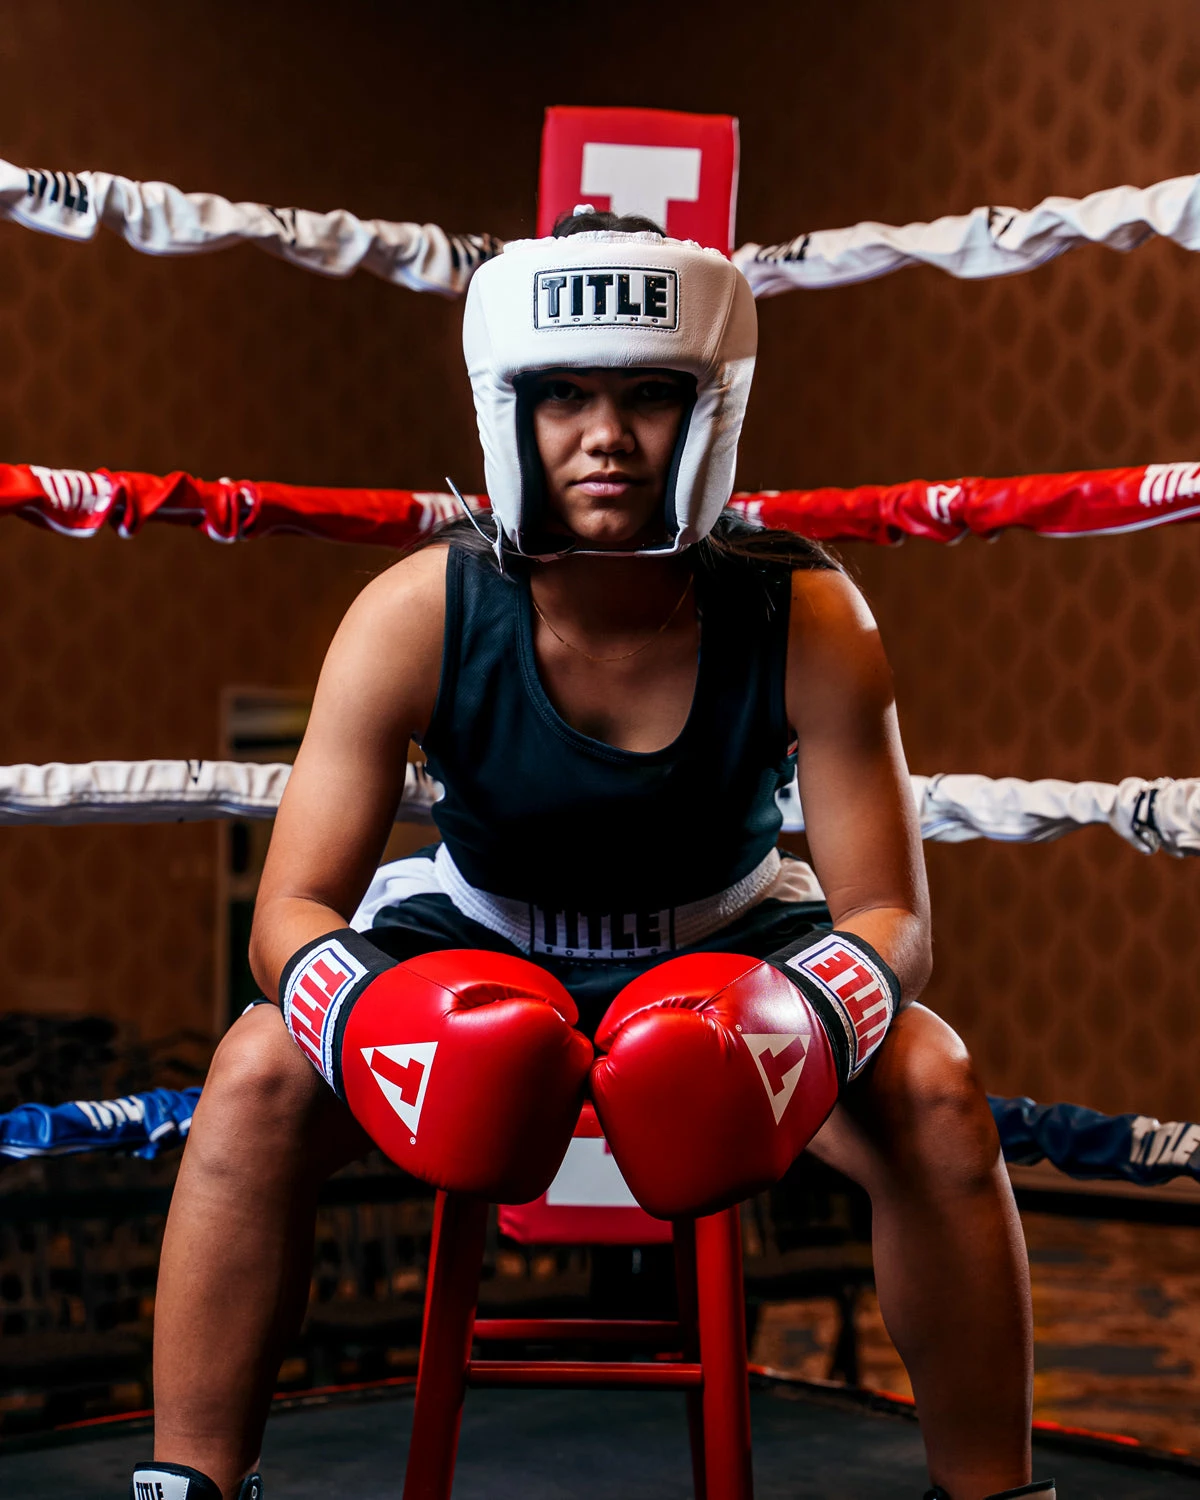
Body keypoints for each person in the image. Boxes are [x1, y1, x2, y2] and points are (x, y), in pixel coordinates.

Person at [133, 211, 1050, 1500]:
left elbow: (893, 909)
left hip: (732, 939)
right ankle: (191, 1488)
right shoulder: (415, 611)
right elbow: (286, 909)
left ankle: (994, 1497)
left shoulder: (811, 614)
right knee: (250, 1075)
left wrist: (804, 1018)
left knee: (938, 1086)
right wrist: (375, 1018)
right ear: (512, 405)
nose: (604, 436)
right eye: (564, 394)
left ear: (709, 411)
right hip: (478, 938)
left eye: (647, 396)